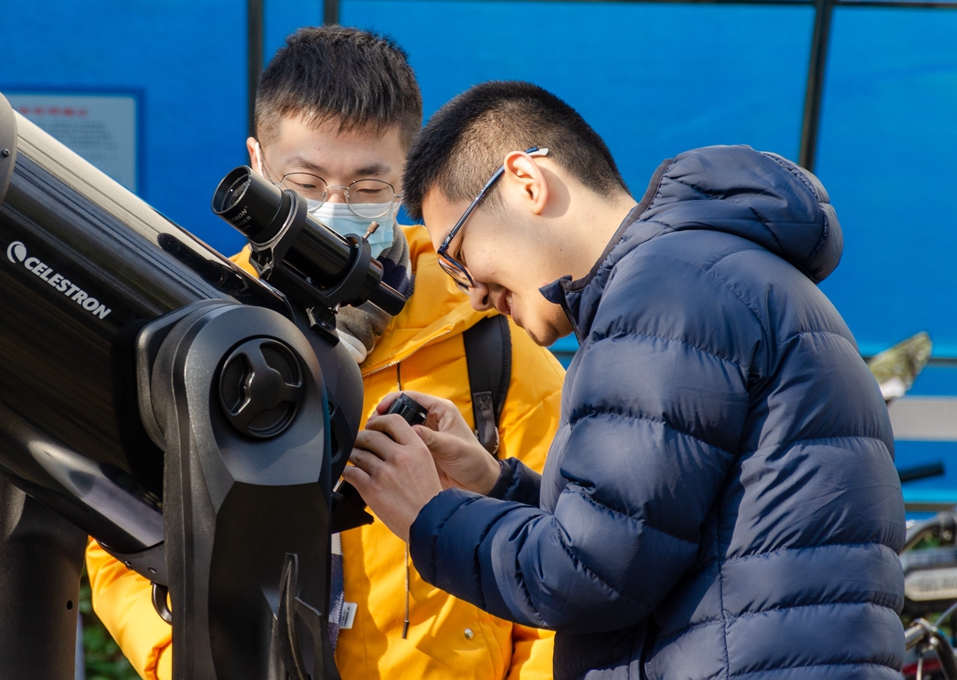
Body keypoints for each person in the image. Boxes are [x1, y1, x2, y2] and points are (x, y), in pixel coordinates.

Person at [343, 81, 906, 680]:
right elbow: (656, 536)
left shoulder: (660, 295)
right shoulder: (705, 273)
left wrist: (428, 515)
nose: (473, 293)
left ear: (526, 183)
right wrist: (494, 484)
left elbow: (588, 575)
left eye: (456, 254)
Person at [85, 30, 567, 679]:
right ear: (256, 164)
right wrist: (187, 661)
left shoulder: (491, 341)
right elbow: (117, 536)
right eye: (305, 181)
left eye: (369, 185)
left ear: (411, 174)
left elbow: (562, 565)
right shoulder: (192, 332)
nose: (334, 211)